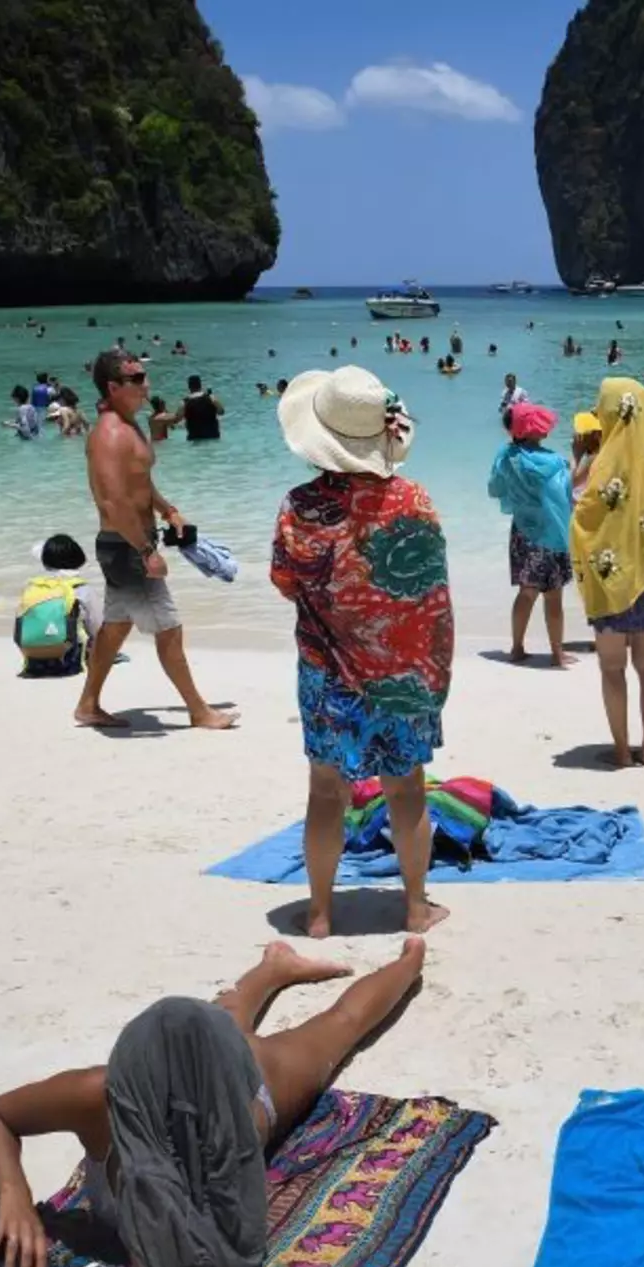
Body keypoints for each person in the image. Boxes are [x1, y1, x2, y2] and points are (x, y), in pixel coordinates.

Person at [0, 936, 429, 1267]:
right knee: (224, 1022)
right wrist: (14, 1194)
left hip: (244, 1077)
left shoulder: (243, 1116)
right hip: (217, 1067)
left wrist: (411, 963)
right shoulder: (97, 1096)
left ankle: (402, 962)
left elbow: (349, 1017)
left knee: (331, 1030)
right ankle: (273, 967)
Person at [272, 366, 451, 936]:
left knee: (325, 792)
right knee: (407, 787)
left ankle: (321, 914)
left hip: (327, 671)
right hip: (403, 671)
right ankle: (417, 908)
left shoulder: (298, 507)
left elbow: (285, 581)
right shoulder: (415, 500)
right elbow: (429, 586)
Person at [75, 349, 233, 731]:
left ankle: (88, 704)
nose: (146, 385)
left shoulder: (130, 425)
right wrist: (146, 551)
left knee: (116, 627)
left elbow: (138, 485)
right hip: (128, 547)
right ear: (113, 387)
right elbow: (113, 502)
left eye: (145, 377)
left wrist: (167, 510)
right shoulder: (110, 434)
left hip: (125, 545)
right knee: (169, 628)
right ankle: (198, 710)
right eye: (137, 379)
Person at [571, 378, 644, 768]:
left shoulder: (604, 463)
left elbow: (580, 511)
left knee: (612, 668)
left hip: (609, 576)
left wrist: (579, 456)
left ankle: (620, 751)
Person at [488, 402, 574, 667]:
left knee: (526, 592)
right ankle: (557, 653)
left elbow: (495, 490)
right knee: (554, 596)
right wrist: (581, 458)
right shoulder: (553, 462)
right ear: (532, 430)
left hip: (522, 531)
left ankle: (516, 648)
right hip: (551, 532)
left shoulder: (506, 457)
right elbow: (567, 492)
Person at [15, 534, 104, 678]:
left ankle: (38, 659)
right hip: (69, 662)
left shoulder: (34, 587)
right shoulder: (81, 588)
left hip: (32, 658)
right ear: (78, 558)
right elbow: (98, 627)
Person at [181, 376, 223, 442]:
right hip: (212, 437)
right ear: (200, 385)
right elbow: (221, 411)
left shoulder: (185, 402)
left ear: (189, 387)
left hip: (194, 438)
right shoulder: (211, 398)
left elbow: (177, 417)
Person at [570, 411, 602, 496]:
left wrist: (576, 457)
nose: (577, 436)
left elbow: (569, 483)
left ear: (595, 435)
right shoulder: (602, 452)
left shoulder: (594, 458)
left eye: (581, 433)